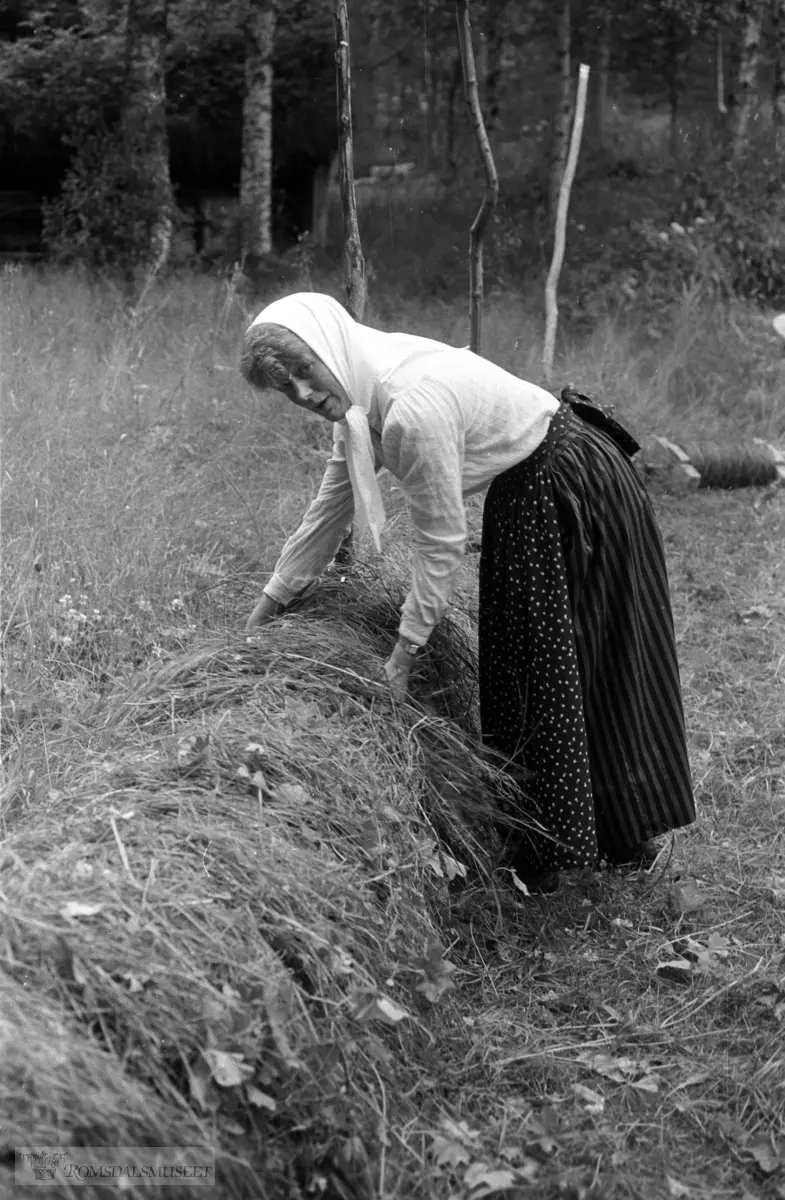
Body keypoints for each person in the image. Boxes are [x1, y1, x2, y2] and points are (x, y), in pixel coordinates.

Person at [240, 292, 695, 892]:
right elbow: (331, 508)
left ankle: (565, 852)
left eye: (303, 370)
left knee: (556, 663)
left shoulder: (409, 407)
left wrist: (403, 654)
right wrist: (266, 609)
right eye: (285, 388)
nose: (302, 393)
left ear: (329, 346)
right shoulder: (361, 399)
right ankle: (597, 835)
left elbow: (439, 544)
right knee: (549, 660)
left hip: (566, 484)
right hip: (543, 482)